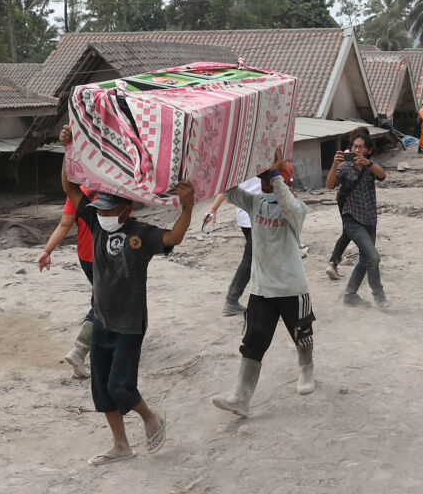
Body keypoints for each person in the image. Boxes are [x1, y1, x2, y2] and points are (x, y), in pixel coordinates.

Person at [58, 124, 196, 466]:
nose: (103, 214)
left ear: (127, 210)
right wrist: (69, 149)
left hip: (130, 325)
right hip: (102, 320)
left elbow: (173, 238)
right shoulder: (93, 218)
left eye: (109, 210)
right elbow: (70, 186)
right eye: (101, 209)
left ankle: (151, 418)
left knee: (121, 387)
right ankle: (121, 445)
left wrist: (187, 207)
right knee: (102, 391)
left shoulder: (141, 234)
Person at [212, 150, 315, 418]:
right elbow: (230, 192)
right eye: (264, 178)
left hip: (293, 288)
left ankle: (306, 367)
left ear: (285, 182)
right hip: (262, 289)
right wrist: (232, 163)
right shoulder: (256, 203)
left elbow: (287, 203)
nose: (266, 181)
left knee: (301, 334)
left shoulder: (296, 209)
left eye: (272, 178)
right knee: (253, 341)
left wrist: (275, 174)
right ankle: (241, 398)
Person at [38, 184, 96, 378]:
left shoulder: (77, 191)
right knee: (104, 303)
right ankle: (80, 350)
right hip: (108, 256)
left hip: (86, 256)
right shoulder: (112, 184)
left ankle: (101, 345)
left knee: (106, 299)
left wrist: (47, 251)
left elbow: (64, 225)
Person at [327, 133, 390, 308]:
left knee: (365, 260)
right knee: (373, 257)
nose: (356, 150)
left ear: (368, 150)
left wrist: (368, 163)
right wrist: (334, 164)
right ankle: (380, 296)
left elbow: (383, 176)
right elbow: (330, 185)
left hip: (370, 218)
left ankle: (350, 295)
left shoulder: (371, 165)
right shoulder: (345, 167)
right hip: (352, 218)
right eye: (354, 146)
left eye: (361, 147)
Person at [202, 176, 264, 316]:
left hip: (247, 215)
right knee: (251, 258)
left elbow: (226, 185)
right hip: (258, 215)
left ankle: (238, 300)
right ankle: (232, 300)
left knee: (259, 258)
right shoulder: (263, 157)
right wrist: (213, 209)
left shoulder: (240, 158)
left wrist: (213, 209)